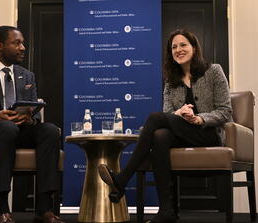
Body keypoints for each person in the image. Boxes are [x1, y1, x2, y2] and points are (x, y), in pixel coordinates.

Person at [98, 29, 232, 223]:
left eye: (183, 45)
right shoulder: (171, 81)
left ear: (194, 48)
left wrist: (199, 118)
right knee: (160, 135)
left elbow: (225, 111)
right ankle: (166, 211)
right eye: (174, 47)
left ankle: (122, 179)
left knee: (154, 119)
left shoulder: (214, 71)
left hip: (207, 133)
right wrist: (178, 114)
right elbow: (168, 112)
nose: (178, 50)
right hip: (182, 132)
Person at [0, 26, 64, 223]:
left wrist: (30, 118)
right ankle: (2, 208)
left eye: (22, 42)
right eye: (16, 43)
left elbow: (33, 111)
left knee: (50, 130)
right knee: (7, 127)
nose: (23, 47)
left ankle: (43, 208)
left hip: (20, 130)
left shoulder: (27, 75)